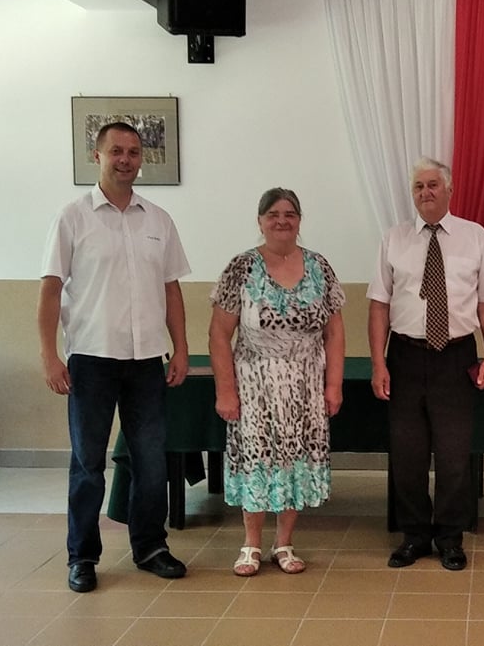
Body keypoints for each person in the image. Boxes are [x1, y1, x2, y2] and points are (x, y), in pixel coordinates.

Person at [38, 122, 190, 593]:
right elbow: (50, 290)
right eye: (116, 151)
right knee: (88, 463)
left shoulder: (158, 220)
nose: (126, 159)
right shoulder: (72, 217)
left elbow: (171, 289)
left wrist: (181, 347)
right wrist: (49, 355)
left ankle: (150, 547)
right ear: (98, 155)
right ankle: (82, 556)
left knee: (151, 461)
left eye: (134, 152)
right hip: (91, 359)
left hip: (146, 359)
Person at [367, 157, 484, 571]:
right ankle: (414, 536)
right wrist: (378, 363)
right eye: (418, 186)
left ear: (449, 190)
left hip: (456, 357)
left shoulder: (475, 237)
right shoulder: (394, 239)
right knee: (408, 454)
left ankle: (450, 537)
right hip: (406, 357)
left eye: (432, 185)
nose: (425, 192)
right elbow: (379, 306)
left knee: (453, 455)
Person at [209, 188, 345, 576]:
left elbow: (335, 332)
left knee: (294, 461)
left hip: (305, 384)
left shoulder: (320, 267)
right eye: (273, 214)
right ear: (260, 221)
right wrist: (225, 390)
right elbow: (219, 334)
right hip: (255, 384)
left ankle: (283, 543)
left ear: (299, 221)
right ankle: (250, 544)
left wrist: (333, 385)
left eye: (289, 214)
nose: (281, 221)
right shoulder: (241, 268)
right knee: (257, 458)